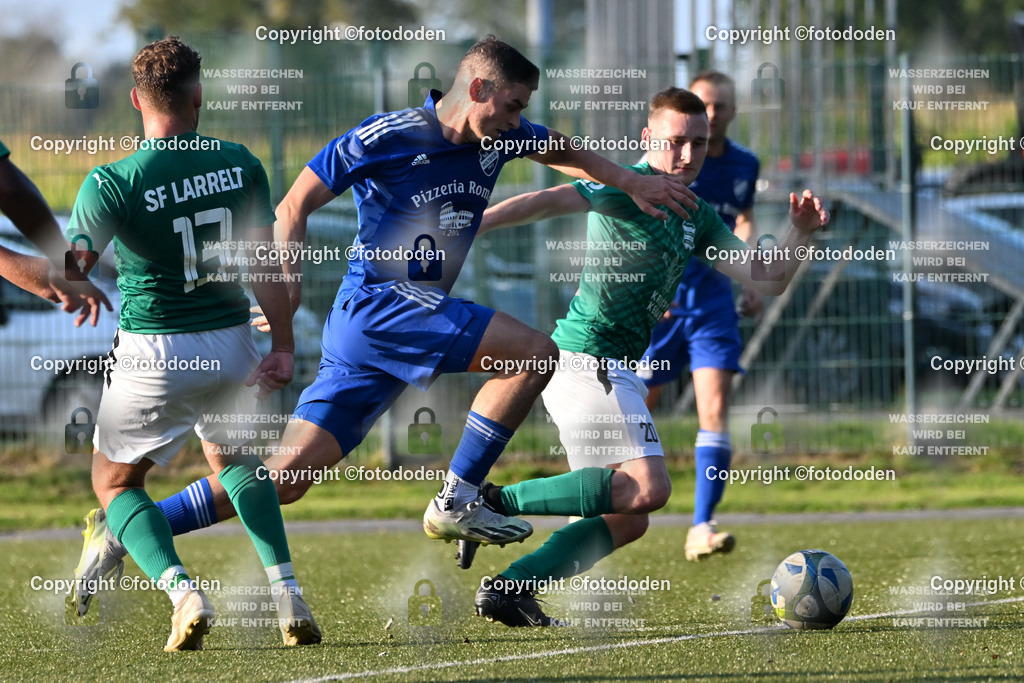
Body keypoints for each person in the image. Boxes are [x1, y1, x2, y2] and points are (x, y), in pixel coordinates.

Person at [72, 33, 699, 596]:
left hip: (375, 331)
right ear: (477, 88)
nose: (519, 120)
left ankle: (124, 531)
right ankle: (457, 499)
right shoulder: (387, 135)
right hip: (385, 307)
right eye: (512, 105)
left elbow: (561, 149)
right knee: (534, 355)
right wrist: (285, 289)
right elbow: (293, 206)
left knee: (284, 478)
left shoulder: (501, 133)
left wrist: (630, 181)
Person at [469, 86, 828, 626]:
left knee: (627, 517)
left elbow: (768, 277)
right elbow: (548, 200)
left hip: (614, 371)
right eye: (676, 142)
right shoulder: (623, 186)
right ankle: (492, 502)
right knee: (649, 487)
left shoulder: (697, 214)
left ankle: (509, 589)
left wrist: (800, 232)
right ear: (648, 138)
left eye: (699, 144)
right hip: (585, 360)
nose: (687, 155)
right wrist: (472, 224)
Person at [51, 37, 321, 651]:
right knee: (241, 467)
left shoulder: (110, 182)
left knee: (115, 485)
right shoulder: (240, 161)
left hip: (155, 351)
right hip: (231, 344)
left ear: (135, 101)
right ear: (197, 97)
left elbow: (76, 264)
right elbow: (263, 264)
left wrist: (60, 269)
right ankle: (288, 596)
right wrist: (282, 343)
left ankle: (182, 593)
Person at [638, 70, 762, 561]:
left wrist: (750, 277)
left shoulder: (745, 164)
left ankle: (701, 525)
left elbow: (745, 219)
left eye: (720, 108)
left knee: (714, 412)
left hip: (712, 305)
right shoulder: (661, 164)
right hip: (658, 309)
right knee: (632, 410)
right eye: (703, 105)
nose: (711, 115)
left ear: (730, 114)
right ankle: (592, 501)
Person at [0, 137, 111, 325]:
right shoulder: (119, 180)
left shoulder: (114, 181)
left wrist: (66, 266)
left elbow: (51, 286)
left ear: (138, 104)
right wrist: (65, 264)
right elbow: (11, 190)